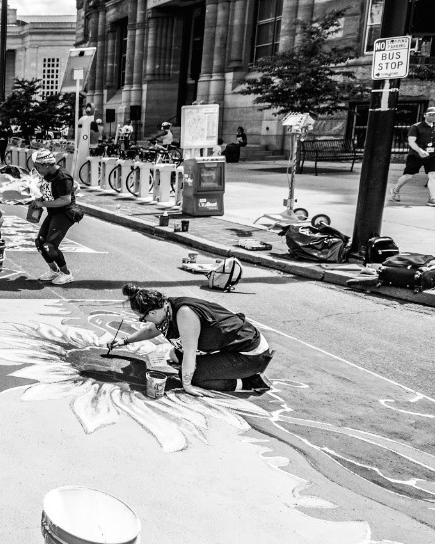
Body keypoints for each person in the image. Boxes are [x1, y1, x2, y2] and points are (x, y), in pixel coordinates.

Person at [110, 284, 273, 393]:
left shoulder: (185, 314)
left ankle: (252, 382)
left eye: (142, 318)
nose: (144, 322)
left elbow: (190, 352)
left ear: (152, 313)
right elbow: (152, 330)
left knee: (194, 376)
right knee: (175, 354)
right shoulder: (166, 308)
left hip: (250, 356)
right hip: (232, 348)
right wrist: (124, 341)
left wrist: (187, 385)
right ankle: (229, 371)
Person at [28, 149, 78, 285]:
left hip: (65, 213)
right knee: (40, 242)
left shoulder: (62, 177)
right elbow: (50, 193)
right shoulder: (47, 175)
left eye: (38, 167)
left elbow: (65, 200)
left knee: (50, 245)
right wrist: (38, 200)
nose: (36, 169)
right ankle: (54, 271)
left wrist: (43, 203)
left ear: (46, 165)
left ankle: (66, 273)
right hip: (54, 212)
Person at [391, 106, 435, 207]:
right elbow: (411, 142)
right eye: (430, 114)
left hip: (431, 155)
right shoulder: (416, 127)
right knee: (408, 176)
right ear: (425, 115)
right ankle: (395, 190)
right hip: (416, 155)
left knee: (433, 175)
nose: (433, 117)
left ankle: (432, 199)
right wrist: (420, 150)